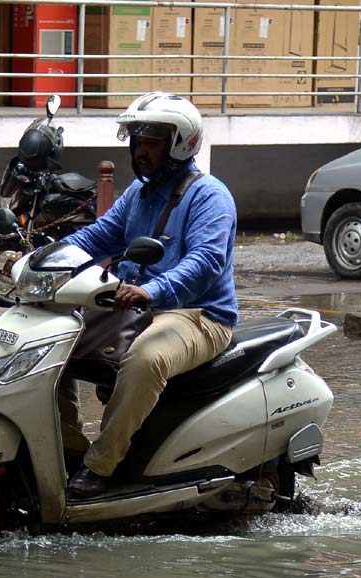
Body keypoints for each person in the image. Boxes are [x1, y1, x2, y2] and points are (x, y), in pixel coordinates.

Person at [59, 91, 238, 499]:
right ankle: (69, 447)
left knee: (145, 359)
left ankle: (101, 465)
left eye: (151, 143)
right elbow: (96, 237)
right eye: (137, 142)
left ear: (180, 144)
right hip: (133, 306)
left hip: (199, 315)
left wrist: (151, 290)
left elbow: (205, 262)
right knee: (53, 346)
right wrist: (39, 257)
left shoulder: (210, 196)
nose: (141, 151)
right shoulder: (136, 195)